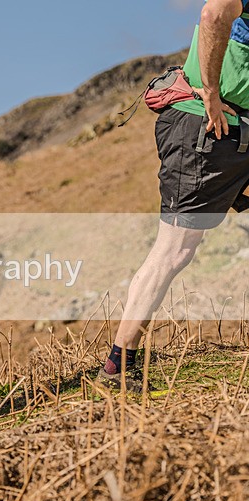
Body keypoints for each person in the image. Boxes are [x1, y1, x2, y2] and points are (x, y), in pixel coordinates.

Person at [98, 0, 249, 391]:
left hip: (240, 129)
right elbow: (214, 15)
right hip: (207, 123)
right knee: (176, 248)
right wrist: (212, 93)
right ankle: (118, 364)